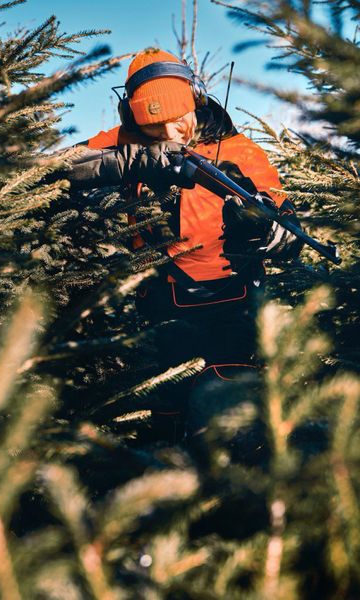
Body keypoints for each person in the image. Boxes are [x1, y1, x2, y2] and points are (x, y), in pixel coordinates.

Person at [57, 47, 303, 444]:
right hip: (158, 307)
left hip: (234, 307)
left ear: (196, 100)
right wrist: (129, 161)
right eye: (155, 127)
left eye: (177, 120)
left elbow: (283, 215)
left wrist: (277, 231)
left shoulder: (239, 150)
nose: (171, 134)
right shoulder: (123, 141)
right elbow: (52, 169)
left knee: (229, 419)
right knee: (163, 420)